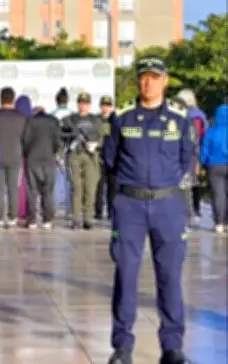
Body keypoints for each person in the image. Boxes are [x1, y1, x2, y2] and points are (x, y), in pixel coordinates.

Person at [102, 56, 194, 364]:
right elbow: (110, 160)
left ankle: (172, 347)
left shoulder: (180, 118)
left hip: (168, 204)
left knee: (169, 276)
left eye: (155, 77)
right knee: (126, 274)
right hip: (130, 205)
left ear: (165, 81)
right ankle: (122, 346)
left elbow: (186, 158)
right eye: (143, 76)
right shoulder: (122, 117)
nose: (148, 82)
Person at [62, 92, 104, 230]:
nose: (83, 106)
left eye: (85, 103)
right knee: (76, 188)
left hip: (91, 155)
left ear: (89, 105)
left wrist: (95, 144)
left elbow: (102, 137)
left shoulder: (95, 120)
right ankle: (76, 219)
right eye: (81, 103)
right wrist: (72, 137)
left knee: (90, 188)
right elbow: (62, 134)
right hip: (75, 154)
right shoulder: (70, 119)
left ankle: (88, 218)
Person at [0, 87, 27, 228]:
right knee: (13, 188)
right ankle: (12, 218)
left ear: (1, 99)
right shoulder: (21, 117)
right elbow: (25, 137)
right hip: (15, 156)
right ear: (13, 99)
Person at [22, 106, 63, 229]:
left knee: (32, 191)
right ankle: (47, 220)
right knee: (48, 190)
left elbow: (25, 141)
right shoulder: (54, 121)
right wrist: (53, 152)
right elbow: (58, 141)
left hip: (33, 159)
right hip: (49, 159)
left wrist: (26, 154)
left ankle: (32, 220)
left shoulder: (30, 121)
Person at [178, 89, 208, 223]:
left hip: (185, 152)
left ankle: (188, 211)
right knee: (195, 182)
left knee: (185, 182)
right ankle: (196, 209)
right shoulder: (199, 116)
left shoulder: (181, 115)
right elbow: (203, 136)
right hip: (196, 152)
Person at [200, 103, 228, 235]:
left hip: (215, 166)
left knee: (218, 194)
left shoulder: (211, 132)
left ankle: (219, 223)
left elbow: (204, 150)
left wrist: (203, 163)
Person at [95, 96, 116, 220]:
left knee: (112, 186)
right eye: (103, 105)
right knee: (99, 185)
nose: (105, 107)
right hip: (99, 153)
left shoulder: (116, 119)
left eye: (108, 105)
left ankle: (110, 211)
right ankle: (98, 211)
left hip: (112, 155)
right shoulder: (97, 119)